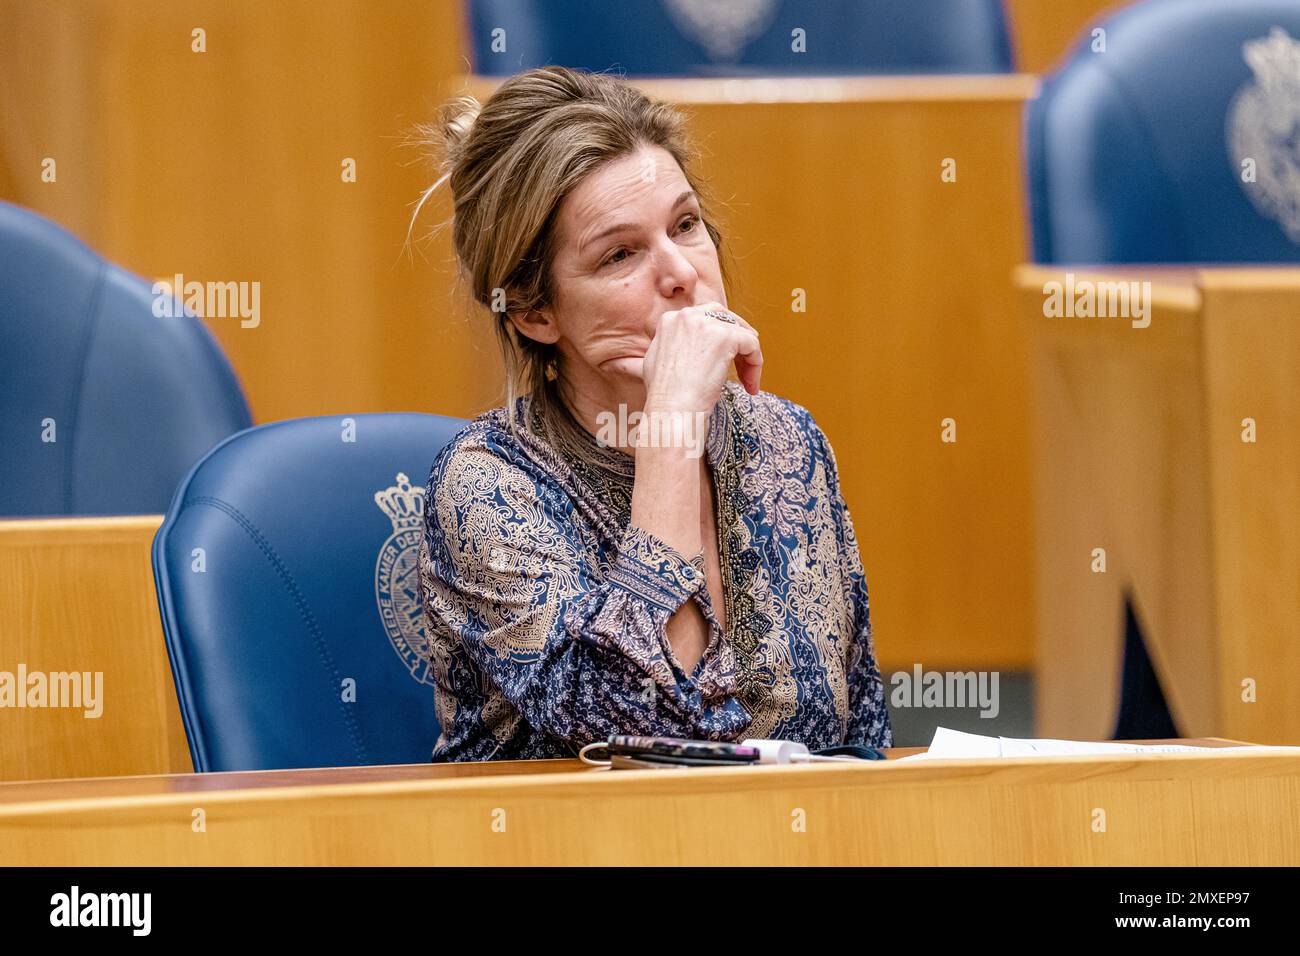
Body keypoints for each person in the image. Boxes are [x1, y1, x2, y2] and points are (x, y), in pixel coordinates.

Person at [414, 65, 892, 761]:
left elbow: (862, 744)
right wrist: (670, 432)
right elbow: (645, 741)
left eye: (686, 224)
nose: (681, 272)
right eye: (620, 254)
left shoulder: (786, 442)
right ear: (534, 310)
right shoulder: (486, 489)